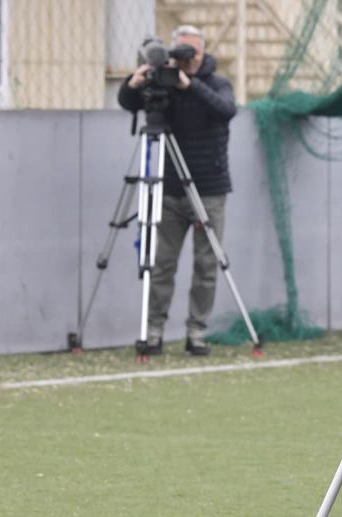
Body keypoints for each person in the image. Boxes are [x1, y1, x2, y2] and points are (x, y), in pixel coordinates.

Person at [117, 25, 235, 356]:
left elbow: (226, 110)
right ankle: (152, 330)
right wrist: (136, 81)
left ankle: (196, 332)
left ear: (201, 52)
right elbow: (128, 102)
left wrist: (190, 85)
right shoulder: (162, 82)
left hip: (208, 189)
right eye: (178, 51)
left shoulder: (216, 83)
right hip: (167, 188)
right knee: (162, 262)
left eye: (190, 52)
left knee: (206, 265)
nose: (183, 59)